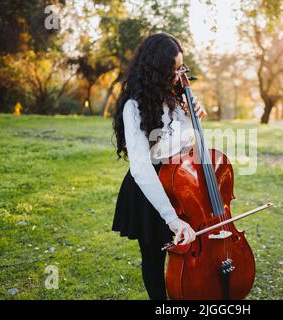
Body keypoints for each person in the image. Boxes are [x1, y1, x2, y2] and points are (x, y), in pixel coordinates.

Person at [111, 33, 206, 300]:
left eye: (181, 69)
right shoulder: (134, 106)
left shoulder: (176, 99)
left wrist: (192, 118)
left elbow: (191, 150)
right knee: (153, 258)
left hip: (179, 182)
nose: (179, 77)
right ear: (156, 71)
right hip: (149, 188)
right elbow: (141, 167)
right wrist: (171, 217)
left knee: (188, 251)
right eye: (173, 71)